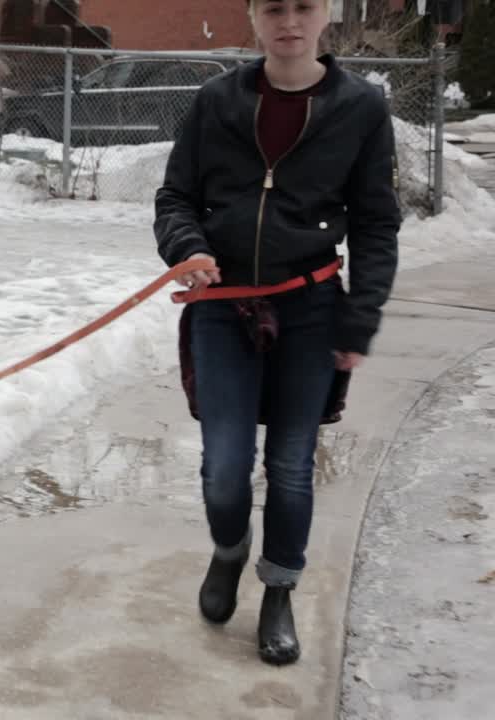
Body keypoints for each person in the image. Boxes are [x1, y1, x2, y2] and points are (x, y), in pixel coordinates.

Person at [153, 0, 400, 665]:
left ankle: (280, 590)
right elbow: (175, 197)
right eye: (273, 8)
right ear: (253, 16)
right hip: (222, 304)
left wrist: (360, 317)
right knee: (225, 467)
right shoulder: (216, 102)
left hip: (311, 308)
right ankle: (229, 550)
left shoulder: (361, 109)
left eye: (303, 7)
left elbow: (376, 223)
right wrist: (188, 246)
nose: (288, 21)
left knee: (291, 467)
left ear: (326, 15)